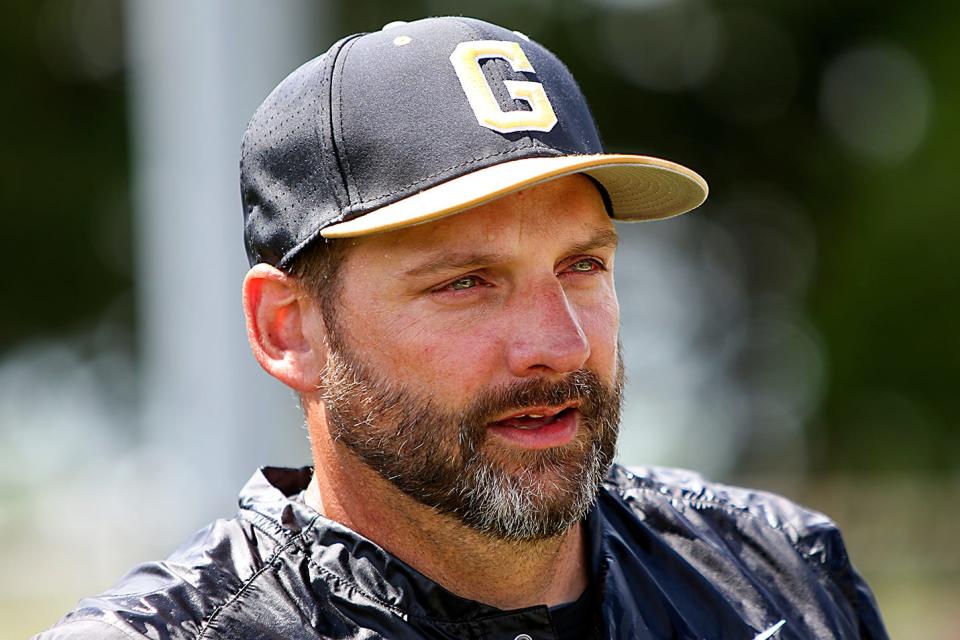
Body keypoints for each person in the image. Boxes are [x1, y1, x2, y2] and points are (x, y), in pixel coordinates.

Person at [37, 16, 888, 640]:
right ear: (287, 330)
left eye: (582, 266)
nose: (554, 344)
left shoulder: (783, 580)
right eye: (467, 283)